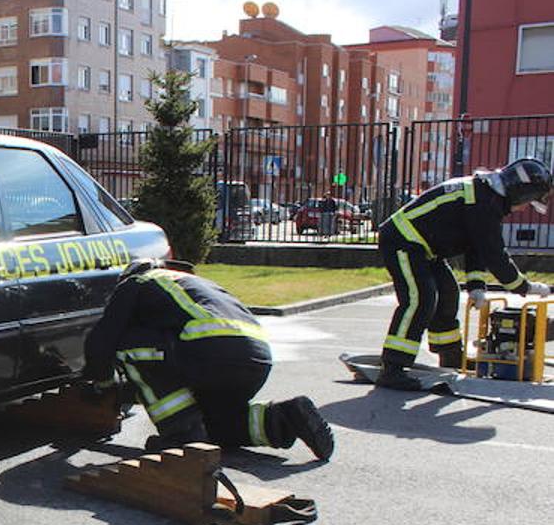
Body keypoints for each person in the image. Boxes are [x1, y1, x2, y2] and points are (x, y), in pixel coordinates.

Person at [83, 259, 334, 459]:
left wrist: (104, 385)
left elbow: (100, 342)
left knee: (127, 347)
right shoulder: (194, 283)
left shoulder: (136, 282)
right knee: (214, 423)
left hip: (210, 353)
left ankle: (180, 437)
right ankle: (286, 418)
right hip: (256, 359)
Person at [374, 157, 553, 390]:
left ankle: (449, 356)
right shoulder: (483, 202)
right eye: (527, 202)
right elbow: (494, 255)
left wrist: (476, 285)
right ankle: (393, 367)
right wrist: (524, 288)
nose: (522, 209)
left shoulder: (486, 197)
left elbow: (476, 245)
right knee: (420, 300)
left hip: (424, 249)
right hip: (402, 241)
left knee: (447, 295)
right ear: (521, 192)